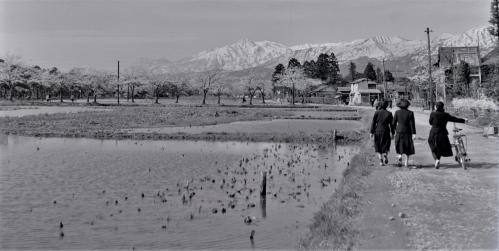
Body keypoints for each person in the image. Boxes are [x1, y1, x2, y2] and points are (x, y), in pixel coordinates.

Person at [428, 102, 467, 169]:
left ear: (436, 107)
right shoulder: (445, 115)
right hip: (443, 133)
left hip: (433, 132)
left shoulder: (433, 113)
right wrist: (464, 120)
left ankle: (436, 159)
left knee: (432, 144)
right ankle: (437, 159)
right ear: (442, 107)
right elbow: (455, 119)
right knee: (440, 147)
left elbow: (430, 123)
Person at [392, 99, 416, 168]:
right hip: (407, 131)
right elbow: (412, 124)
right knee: (407, 146)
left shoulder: (397, 112)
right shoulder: (410, 113)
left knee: (399, 144)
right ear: (407, 105)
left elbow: (393, 123)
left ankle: (399, 156)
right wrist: (414, 133)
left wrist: (393, 131)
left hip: (399, 130)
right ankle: (406, 162)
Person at [370, 101, 394, 166]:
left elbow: (373, 123)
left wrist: (371, 132)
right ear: (386, 106)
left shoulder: (377, 112)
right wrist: (393, 133)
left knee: (378, 146)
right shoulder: (389, 113)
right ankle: (385, 155)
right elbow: (392, 125)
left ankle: (381, 160)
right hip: (386, 131)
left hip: (377, 131)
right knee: (386, 145)